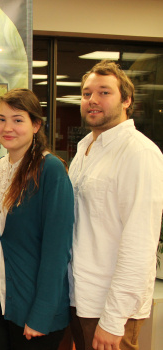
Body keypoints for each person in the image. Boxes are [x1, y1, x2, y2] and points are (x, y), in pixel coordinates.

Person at [68, 60, 163, 350]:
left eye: (104, 92)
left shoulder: (139, 153)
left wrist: (114, 318)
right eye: (86, 93)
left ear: (126, 100)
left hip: (109, 305)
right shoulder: (85, 147)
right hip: (80, 297)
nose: (93, 100)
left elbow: (140, 243)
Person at [0, 88, 74, 349]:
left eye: (18, 120)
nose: (8, 127)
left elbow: (57, 250)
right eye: (1, 119)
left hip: (30, 305)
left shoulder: (50, 169)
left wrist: (42, 314)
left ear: (36, 124)